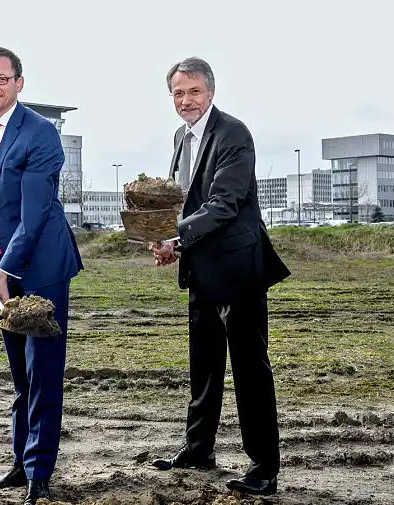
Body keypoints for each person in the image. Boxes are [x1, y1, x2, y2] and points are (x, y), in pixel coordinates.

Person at [149, 57, 291, 496]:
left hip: (238, 270)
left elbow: (224, 203)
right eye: (178, 93)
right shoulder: (180, 136)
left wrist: (176, 235)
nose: (185, 100)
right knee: (204, 366)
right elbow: (186, 201)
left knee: (250, 370)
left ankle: (264, 467)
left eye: (193, 91)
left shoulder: (233, 133)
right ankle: (198, 449)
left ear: (210, 92)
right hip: (201, 270)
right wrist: (172, 243)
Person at [0, 47, 84, 505]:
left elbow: (34, 212)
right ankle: (19, 462)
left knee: (43, 369)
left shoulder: (41, 133)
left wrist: (6, 270)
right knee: (19, 372)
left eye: (1, 80)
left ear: (19, 83)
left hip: (43, 264)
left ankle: (40, 473)